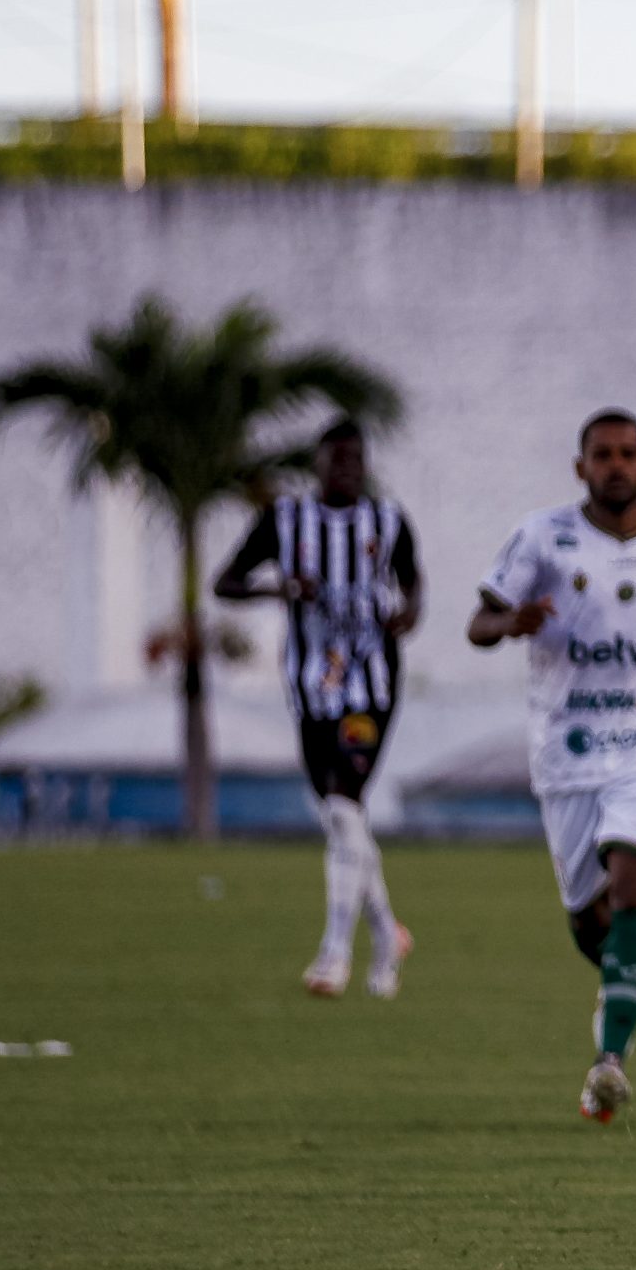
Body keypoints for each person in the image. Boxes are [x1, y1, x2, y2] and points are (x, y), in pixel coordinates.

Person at [468, 409, 636, 1123]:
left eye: (628, 454)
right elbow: (479, 620)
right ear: (580, 466)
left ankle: (609, 1061)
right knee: (592, 923)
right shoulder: (543, 538)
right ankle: (621, 982)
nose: (615, 465)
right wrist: (512, 623)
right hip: (569, 751)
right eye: (602, 454)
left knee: (635, 883)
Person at [213, 418, 419, 999]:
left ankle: (334, 953)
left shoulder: (388, 520)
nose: (348, 470)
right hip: (311, 685)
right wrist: (276, 590)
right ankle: (386, 933)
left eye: (357, 460)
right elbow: (224, 582)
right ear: (319, 465)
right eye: (337, 460)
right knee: (340, 815)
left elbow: (412, 582)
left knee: (343, 800)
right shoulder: (284, 521)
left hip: (371, 686)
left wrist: (410, 614)